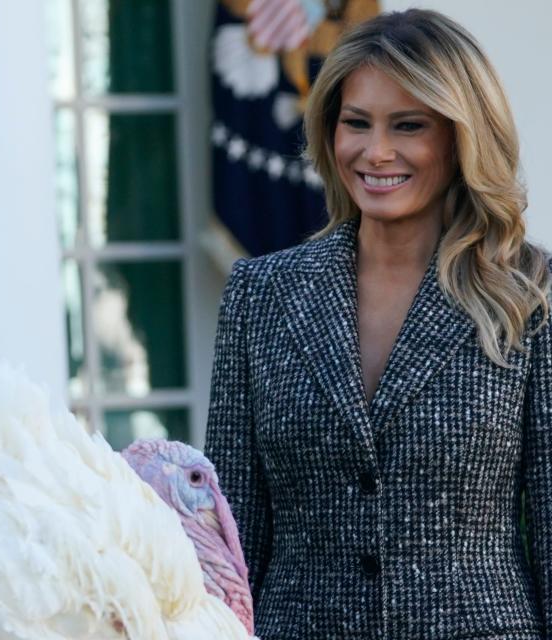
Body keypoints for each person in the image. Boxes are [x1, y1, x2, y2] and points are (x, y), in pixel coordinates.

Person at [204, 9, 552, 639]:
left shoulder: (530, 295)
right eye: (356, 123)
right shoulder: (261, 295)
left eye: (408, 126)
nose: (376, 151)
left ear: (460, 136)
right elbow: (230, 538)